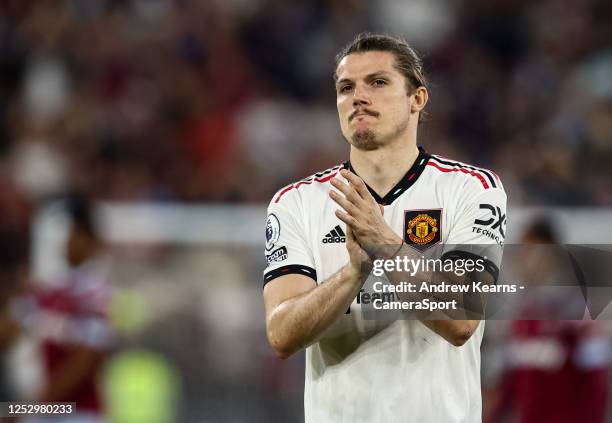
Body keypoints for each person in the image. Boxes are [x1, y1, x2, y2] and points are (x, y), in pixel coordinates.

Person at [263, 32, 507, 422]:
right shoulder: (296, 202)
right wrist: (352, 274)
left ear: (417, 99)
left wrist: (385, 244)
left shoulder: (470, 189)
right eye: (346, 87)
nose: (358, 96)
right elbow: (282, 335)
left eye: (377, 82)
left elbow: (462, 318)